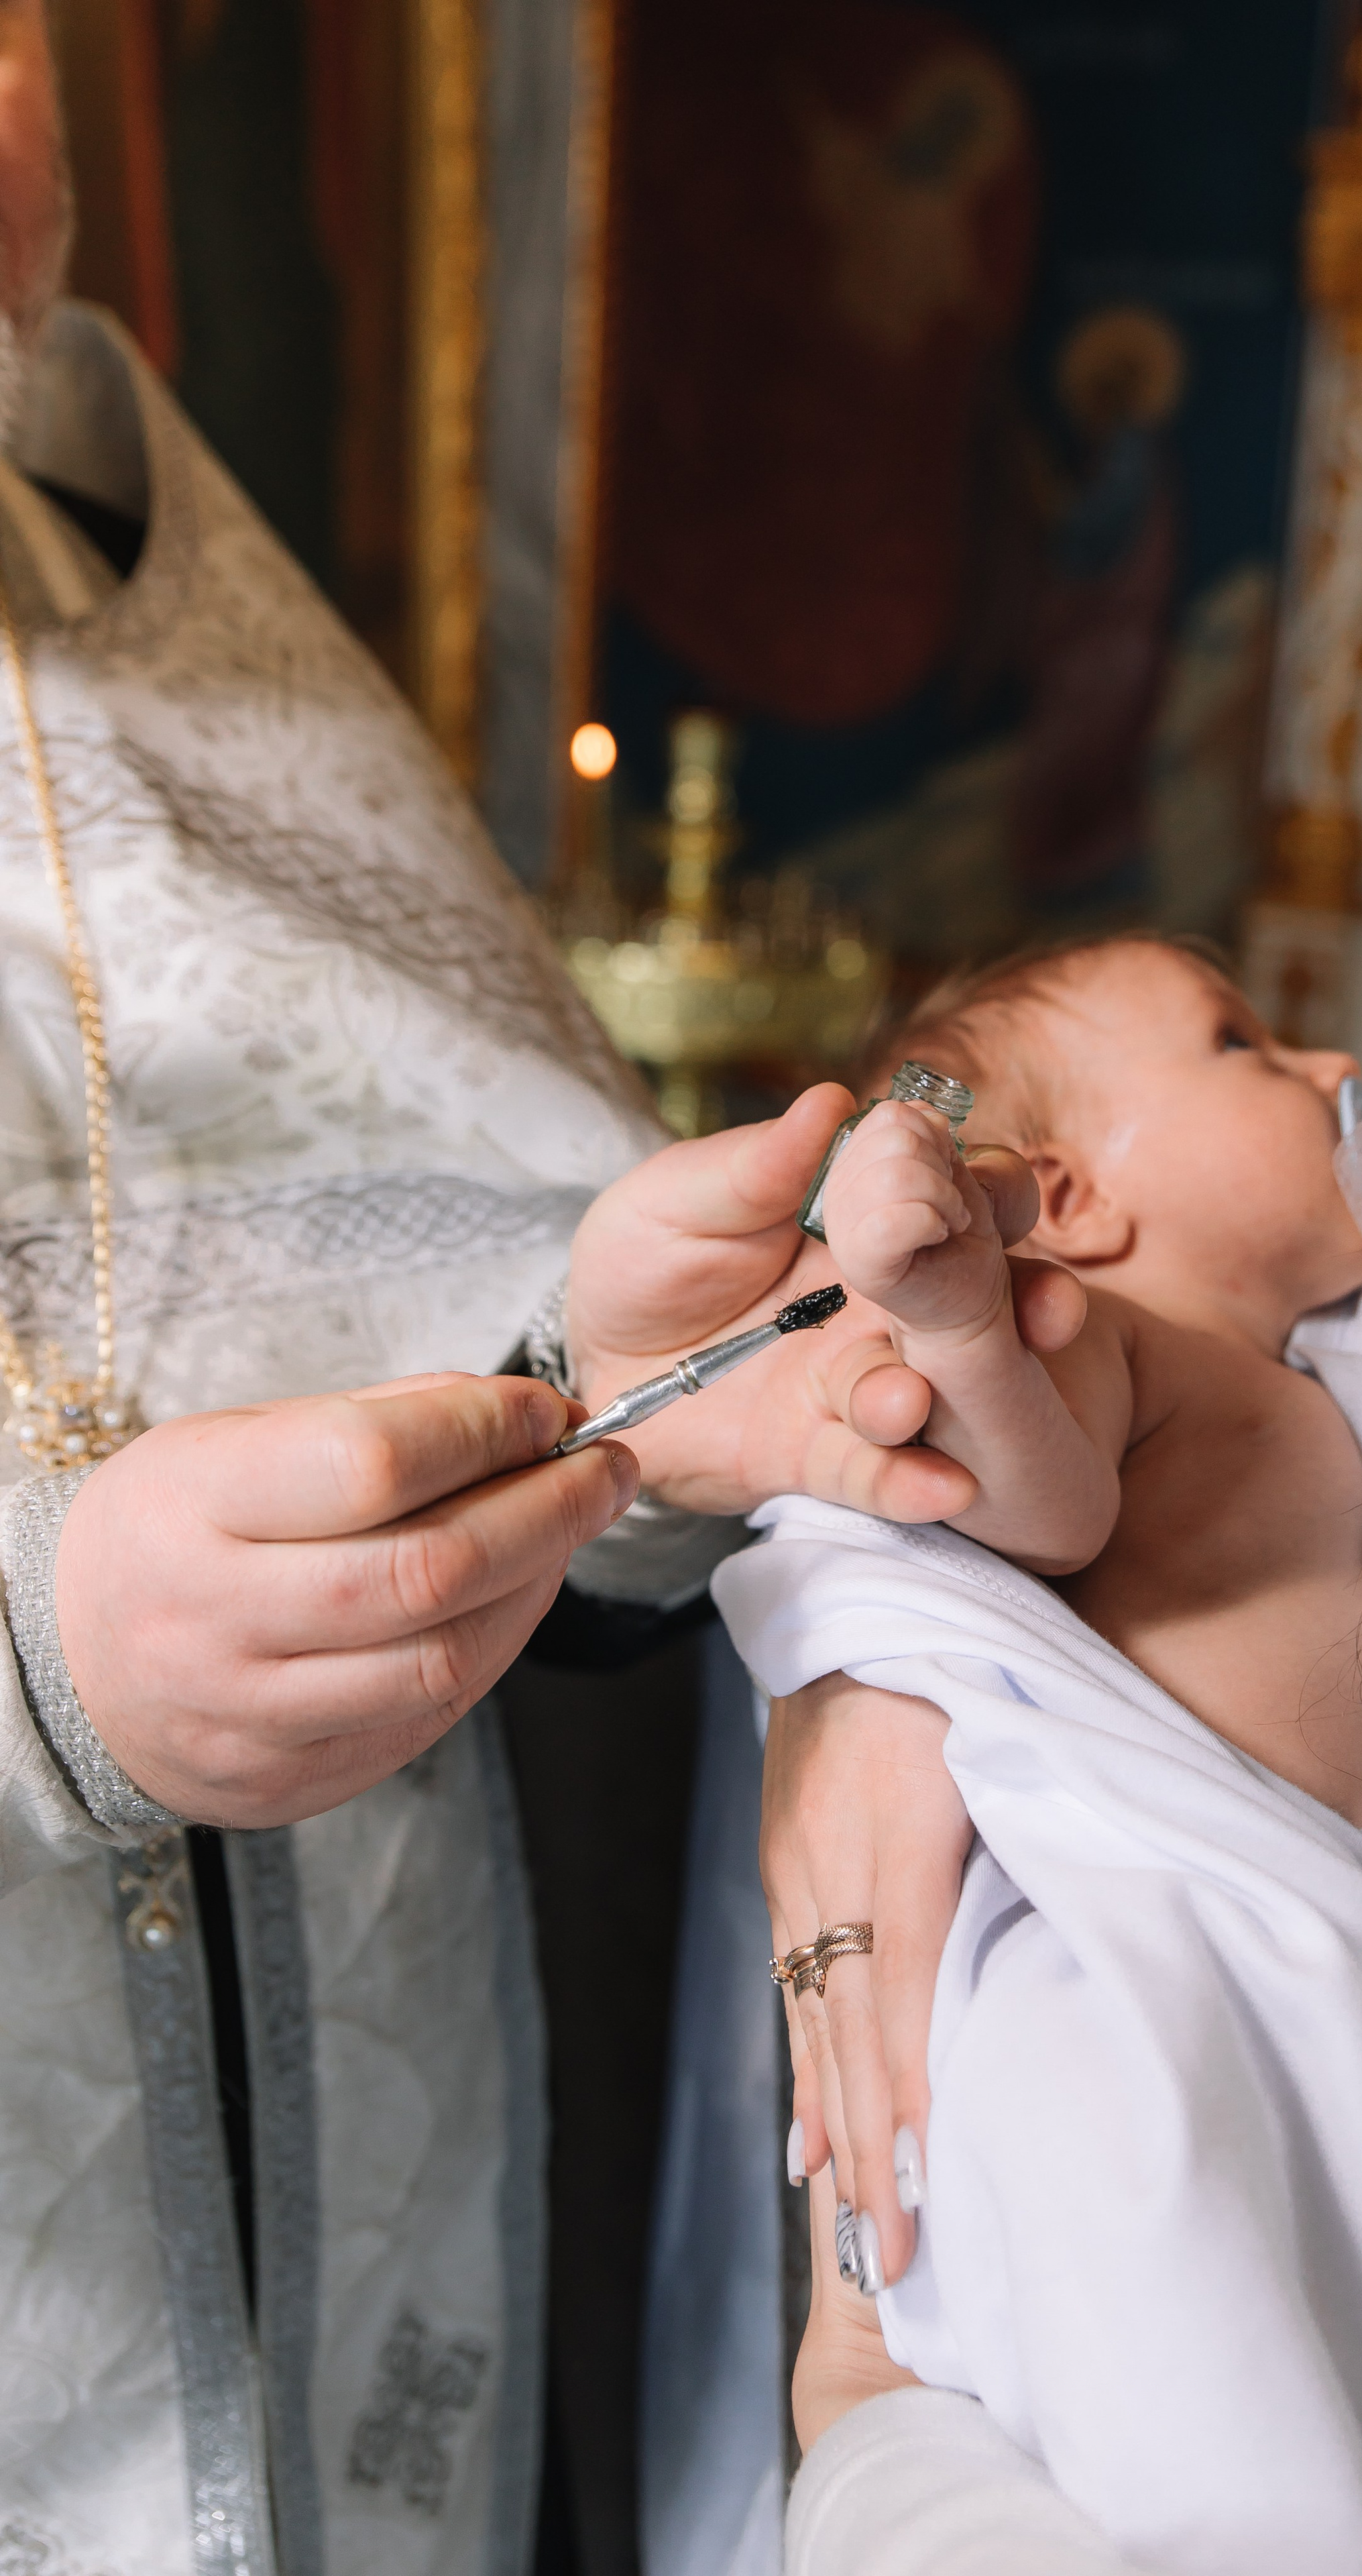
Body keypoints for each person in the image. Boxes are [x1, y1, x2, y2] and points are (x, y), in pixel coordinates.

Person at [0, 15, 965, 2569]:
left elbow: (439, 1271)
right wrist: (30, 1658)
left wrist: (598, 1396)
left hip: (355, 2187)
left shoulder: (98, 553)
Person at [746, 971, 1362, 2571]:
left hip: (1360, 1920)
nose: (1329, 1060)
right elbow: (1031, 1495)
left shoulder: (1340, 1357)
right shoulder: (1126, 1347)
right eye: (1238, 1044)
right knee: (1175, 2275)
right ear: (1066, 1201)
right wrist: (955, 1316)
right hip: (1167, 1943)